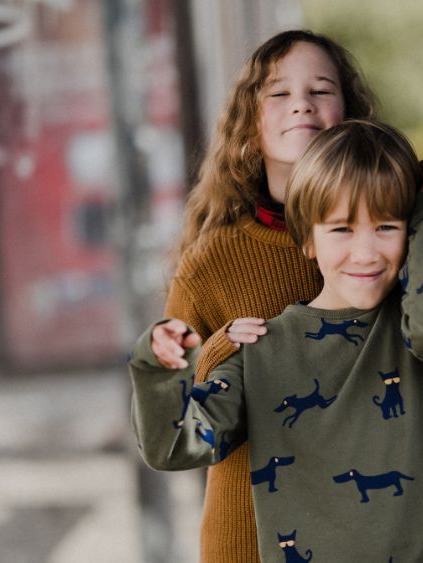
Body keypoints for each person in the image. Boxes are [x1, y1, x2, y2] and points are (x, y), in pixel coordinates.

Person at [130, 119, 423, 561]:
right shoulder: (264, 350)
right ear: (308, 239)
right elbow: (175, 446)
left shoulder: (413, 324)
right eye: (341, 229)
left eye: (387, 227)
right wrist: (157, 367)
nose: (366, 252)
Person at [149, 30, 375, 561]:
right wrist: (223, 350)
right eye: (278, 93)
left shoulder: (386, 236)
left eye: (322, 89)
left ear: (350, 112)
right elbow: (171, 413)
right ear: (250, 123)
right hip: (248, 532)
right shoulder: (213, 260)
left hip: (367, 526)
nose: (302, 102)